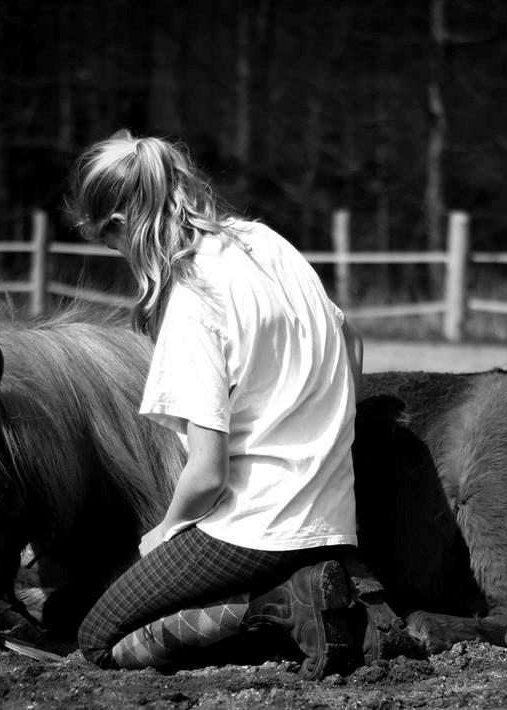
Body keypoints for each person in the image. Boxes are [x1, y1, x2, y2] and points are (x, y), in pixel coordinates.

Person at [67, 130, 368, 678]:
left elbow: (207, 475)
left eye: (110, 245)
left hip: (254, 526)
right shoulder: (264, 242)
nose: (119, 257)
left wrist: (166, 531)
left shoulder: (191, 302)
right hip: (331, 512)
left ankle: (271, 609)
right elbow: (351, 341)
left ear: (122, 225)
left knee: (96, 639)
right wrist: (328, 426)